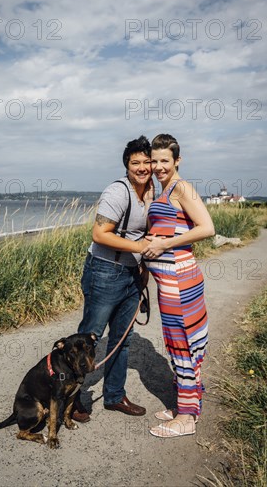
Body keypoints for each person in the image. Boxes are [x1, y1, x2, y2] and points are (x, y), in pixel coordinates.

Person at [73, 135, 154, 422]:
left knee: (123, 339)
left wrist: (142, 268)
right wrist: (140, 248)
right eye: (136, 163)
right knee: (88, 338)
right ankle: (73, 399)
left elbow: (142, 233)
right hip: (105, 272)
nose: (142, 167)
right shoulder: (118, 192)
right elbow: (99, 234)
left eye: (147, 162)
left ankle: (115, 396)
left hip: (132, 275)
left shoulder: (152, 191)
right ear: (127, 165)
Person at [141, 133, 215, 438]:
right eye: (154, 160)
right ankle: (186, 403)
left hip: (180, 281)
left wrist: (165, 245)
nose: (158, 166)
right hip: (169, 281)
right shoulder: (164, 189)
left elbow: (207, 228)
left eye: (164, 161)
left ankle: (185, 418)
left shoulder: (182, 187)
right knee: (177, 343)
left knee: (183, 344)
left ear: (177, 161)